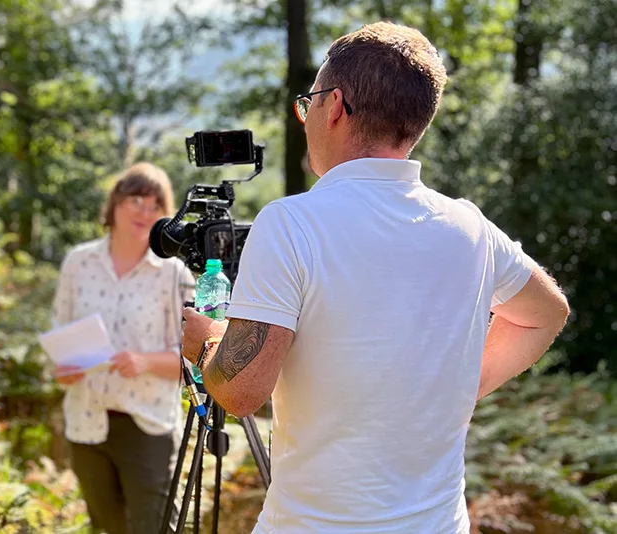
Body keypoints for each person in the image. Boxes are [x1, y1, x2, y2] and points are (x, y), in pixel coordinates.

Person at [180, 22, 570, 534]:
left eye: (308, 103)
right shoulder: (470, 227)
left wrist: (206, 343)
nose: (306, 118)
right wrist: (460, 385)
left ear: (334, 106)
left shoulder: (292, 223)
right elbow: (546, 313)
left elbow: (240, 391)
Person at [51, 162, 194, 534]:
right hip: (86, 422)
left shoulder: (175, 274)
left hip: (148, 426)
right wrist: (61, 370)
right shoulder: (78, 262)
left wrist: (145, 361)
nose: (145, 212)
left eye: (155, 205)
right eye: (136, 200)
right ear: (115, 203)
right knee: (107, 528)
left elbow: (195, 360)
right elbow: (58, 334)